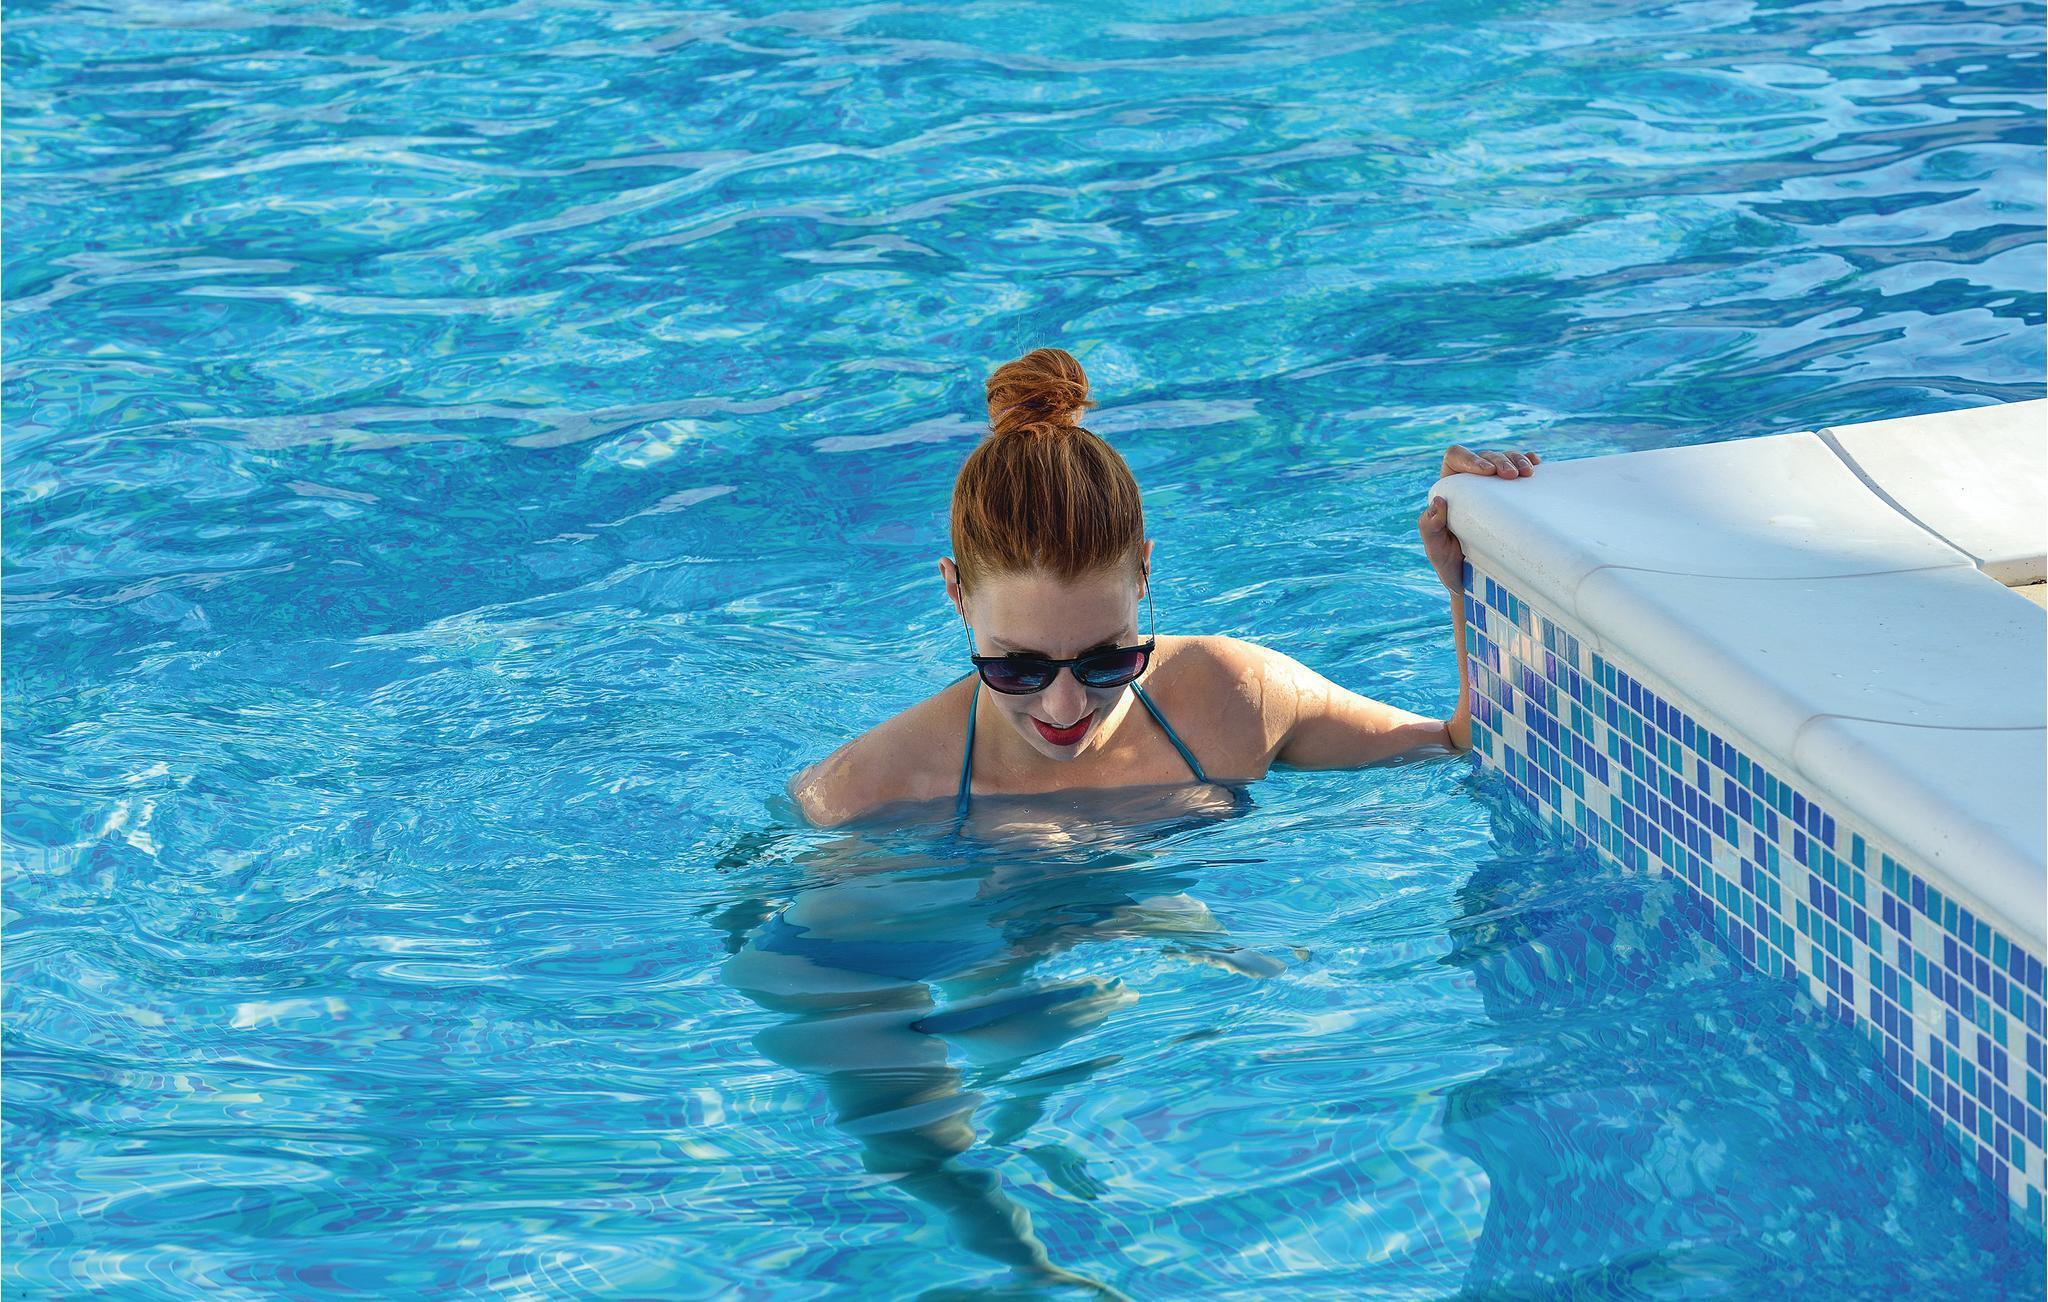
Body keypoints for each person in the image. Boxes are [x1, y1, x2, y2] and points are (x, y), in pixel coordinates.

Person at [789, 347, 1539, 830]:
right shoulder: (866, 794)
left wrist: (1475, 580)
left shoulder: (1233, 697)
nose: (1065, 708)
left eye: (1107, 659)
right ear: (956, 595)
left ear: (1145, 573)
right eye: (1017, 668)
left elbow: (1462, 746)